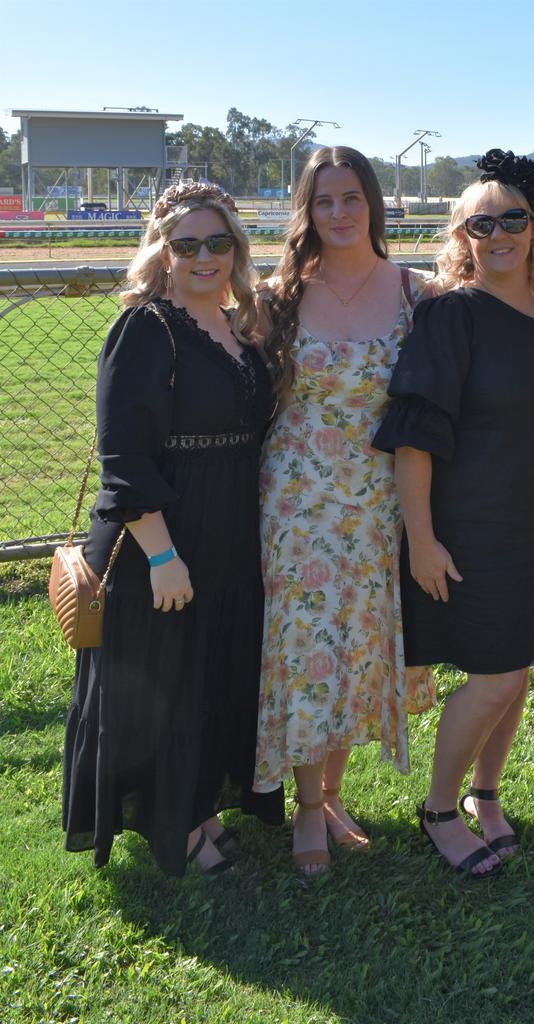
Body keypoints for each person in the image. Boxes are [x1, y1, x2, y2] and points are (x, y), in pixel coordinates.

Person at [373, 149, 534, 877]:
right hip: (472, 527)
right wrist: (423, 541)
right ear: (462, 235)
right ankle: (438, 809)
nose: (497, 234)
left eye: (512, 220)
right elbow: (414, 439)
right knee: (494, 675)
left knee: (518, 668)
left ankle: (485, 794)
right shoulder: (451, 314)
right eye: (480, 223)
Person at [62, 181, 283, 878]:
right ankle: (174, 826)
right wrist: (163, 555)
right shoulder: (145, 328)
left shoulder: (237, 324)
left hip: (228, 524)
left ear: (237, 250)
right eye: (186, 244)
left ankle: (200, 806)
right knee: (164, 680)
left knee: (211, 672)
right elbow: (124, 455)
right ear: (161, 251)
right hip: (161, 528)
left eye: (219, 242)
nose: (204, 257)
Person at [254, 146, 435, 874]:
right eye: (323, 200)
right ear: (307, 209)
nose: (337, 213)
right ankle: (303, 811)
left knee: (357, 640)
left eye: (350, 198)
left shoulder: (416, 292)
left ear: (373, 205)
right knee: (304, 644)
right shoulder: (278, 296)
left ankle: (331, 792)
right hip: (297, 499)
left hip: (378, 501)